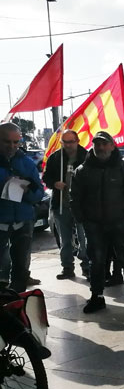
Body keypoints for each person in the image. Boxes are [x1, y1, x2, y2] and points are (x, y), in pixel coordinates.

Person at [70, 130, 124, 313]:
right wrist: (81, 218)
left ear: (112, 146)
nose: (101, 147)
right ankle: (97, 296)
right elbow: (75, 197)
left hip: (120, 224)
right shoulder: (83, 171)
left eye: (104, 143)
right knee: (96, 262)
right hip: (94, 225)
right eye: (97, 144)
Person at [0, 123, 44, 293]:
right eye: (6, 142)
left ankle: (17, 304)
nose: (12, 146)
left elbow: (39, 193)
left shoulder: (26, 162)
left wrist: (27, 191)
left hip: (23, 222)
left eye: (15, 142)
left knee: (20, 268)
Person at [43, 129, 89, 280]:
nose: (68, 145)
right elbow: (46, 177)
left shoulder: (87, 156)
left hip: (82, 206)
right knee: (65, 239)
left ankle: (87, 266)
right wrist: (54, 183)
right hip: (61, 204)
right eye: (65, 142)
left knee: (85, 238)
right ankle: (67, 267)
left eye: (71, 142)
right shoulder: (56, 157)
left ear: (77, 141)